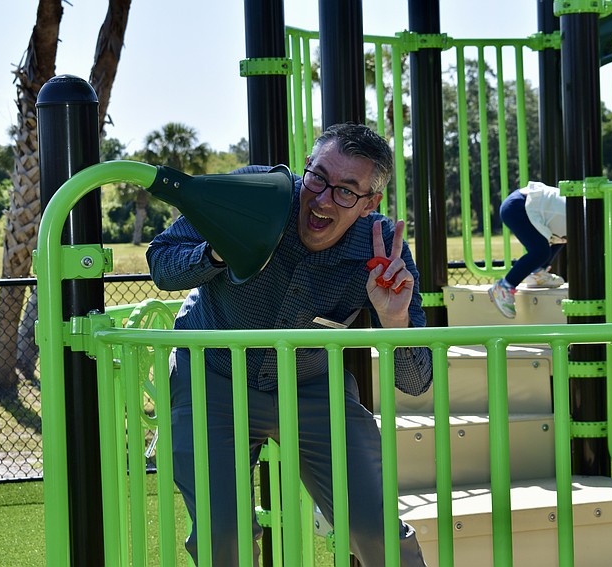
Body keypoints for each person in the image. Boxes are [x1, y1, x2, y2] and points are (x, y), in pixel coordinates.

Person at [147, 122, 433, 566]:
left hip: (311, 386)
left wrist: (394, 320)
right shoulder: (255, 193)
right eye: (317, 177)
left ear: (370, 204)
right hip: (213, 377)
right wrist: (221, 250)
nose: (321, 199)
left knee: (373, 528)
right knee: (224, 536)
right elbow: (162, 262)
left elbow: (416, 382)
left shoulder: (383, 249)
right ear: (305, 168)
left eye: (345, 191)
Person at [488, 181, 567, 318]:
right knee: (540, 251)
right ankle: (504, 287)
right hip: (518, 207)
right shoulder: (585, 215)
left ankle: (537, 273)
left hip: (522, 204)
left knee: (561, 238)